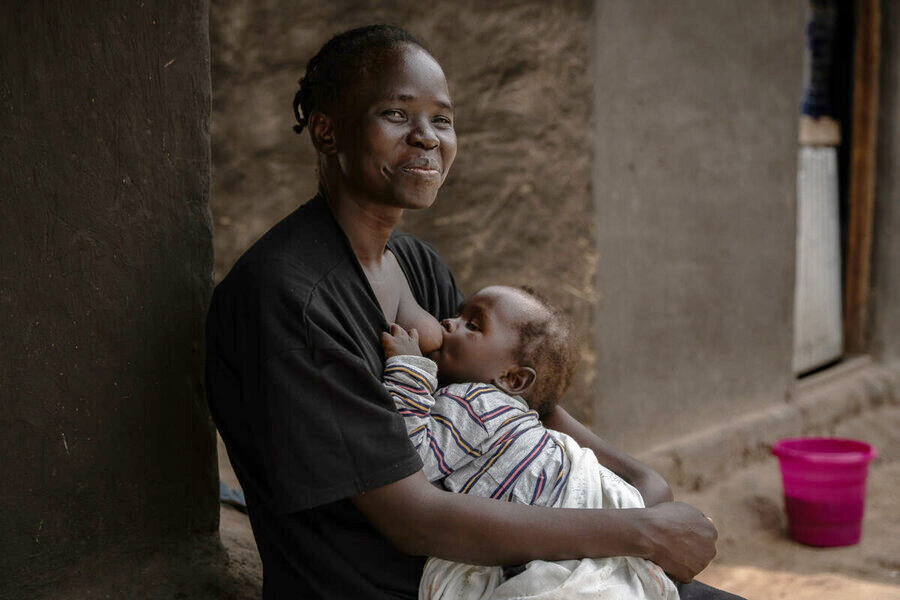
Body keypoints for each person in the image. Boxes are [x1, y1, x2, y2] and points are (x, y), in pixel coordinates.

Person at [205, 24, 731, 599]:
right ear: (327, 130)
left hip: (491, 567)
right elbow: (411, 518)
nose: (427, 138)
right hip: (395, 584)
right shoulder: (291, 295)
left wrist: (637, 483)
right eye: (398, 115)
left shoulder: (416, 264)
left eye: (443, 120)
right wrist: (636, 530)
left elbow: (519, 403)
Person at [381, 284, 679, 599]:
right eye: (458, 315)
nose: (447, 323)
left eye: (473, 325)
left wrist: (410, 370)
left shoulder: (475, 402)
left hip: (569, 507)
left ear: (513, 379)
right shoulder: (508, 410)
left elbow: (414, 459)